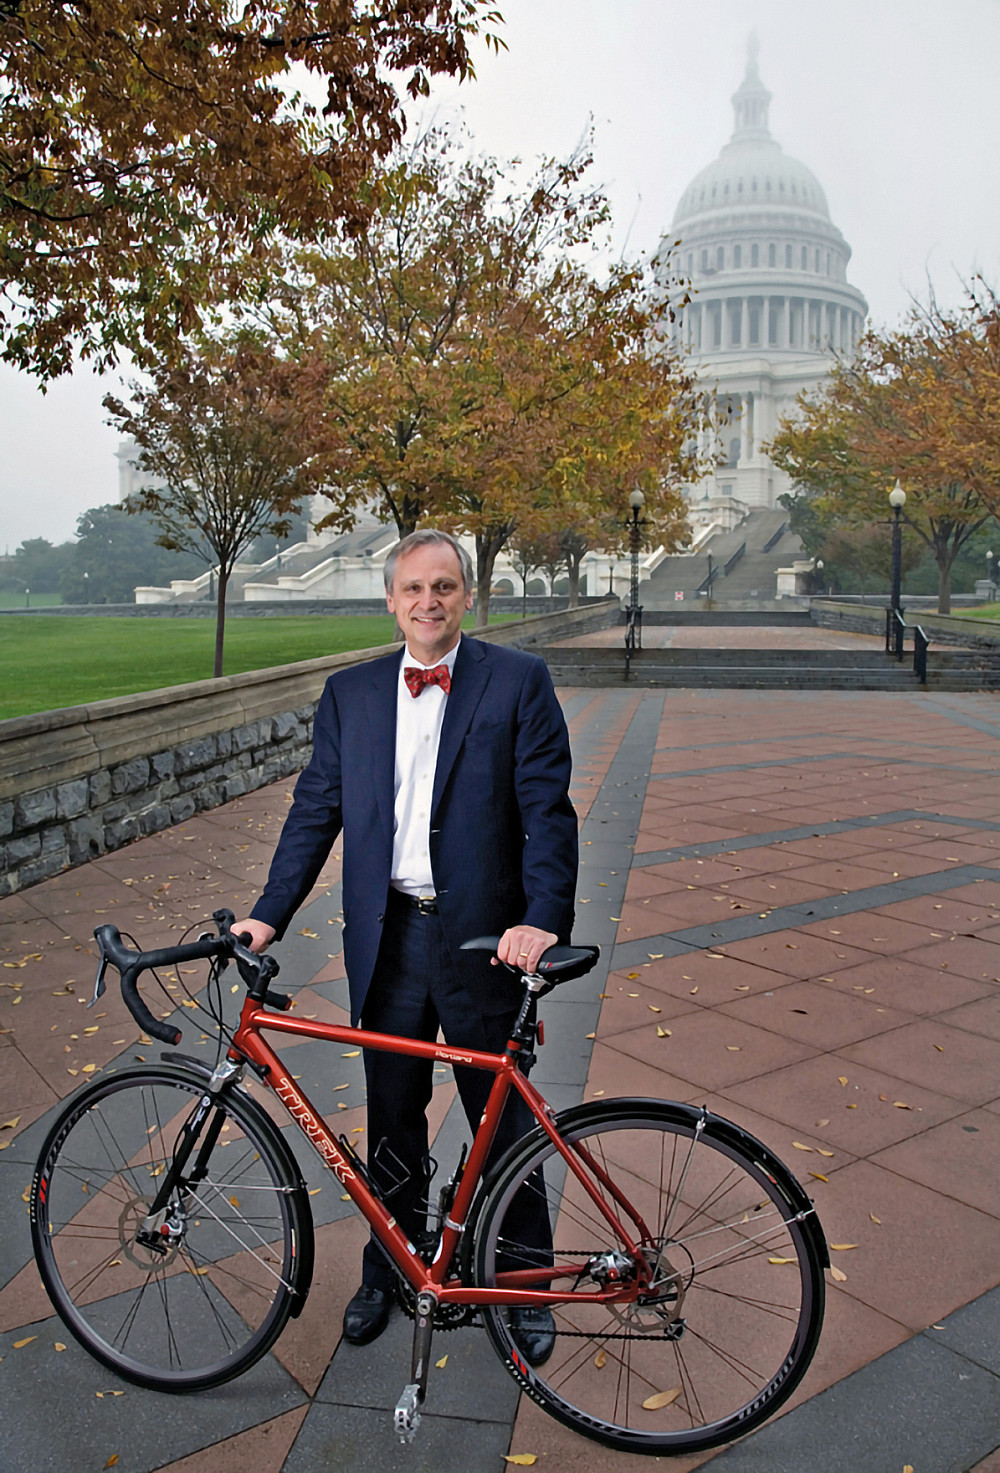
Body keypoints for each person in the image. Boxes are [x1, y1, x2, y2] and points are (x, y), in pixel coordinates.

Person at [233, 529, 577, 1363]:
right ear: (390, 600)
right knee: (390, 1115)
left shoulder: (518, 680)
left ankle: (522, 1281)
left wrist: (542, 918)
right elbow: (315, 809)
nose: (430, 601)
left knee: (499, 1118)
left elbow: (548, 814)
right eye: (414, 588)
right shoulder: (349, 694)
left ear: (466, 597)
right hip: (386, 938)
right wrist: (266, 914)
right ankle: (392, 1267)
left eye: (445, 587)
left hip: (483, 943)